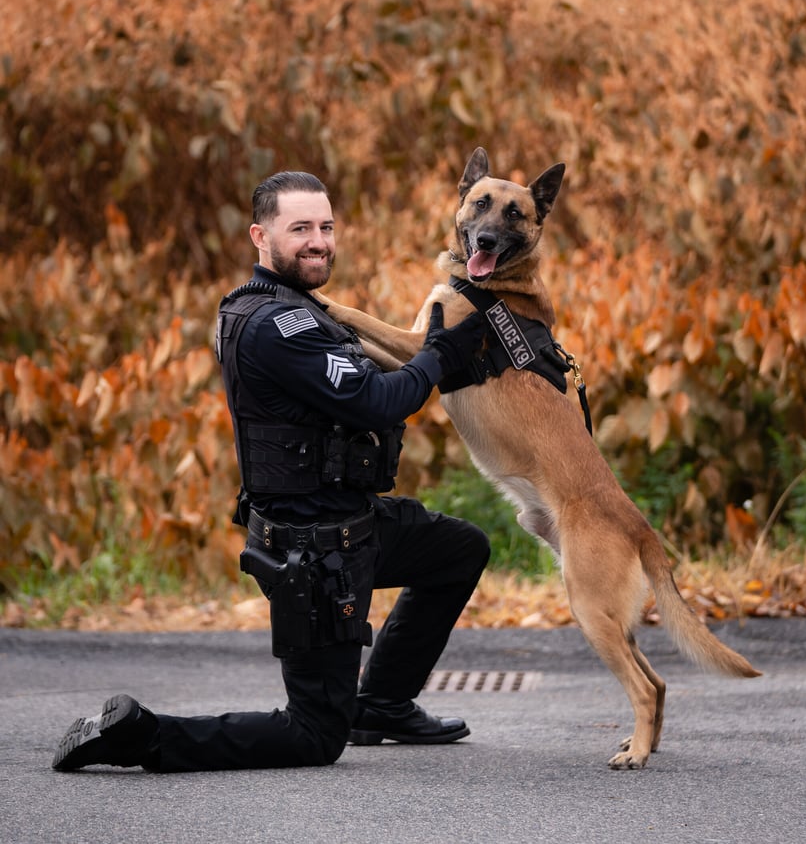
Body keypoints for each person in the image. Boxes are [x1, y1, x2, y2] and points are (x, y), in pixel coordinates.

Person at [52, 170, 490, 772]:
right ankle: (142, 736)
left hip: (352, 523)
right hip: (315, 556)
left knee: (459, 549)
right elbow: (377, 401)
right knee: (314, 736)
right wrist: (441, 356)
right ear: (261, 236)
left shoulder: (286, 309)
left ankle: (383, 701)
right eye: (301, 229)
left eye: (327, 227)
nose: (319, 241)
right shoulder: (278, 326)